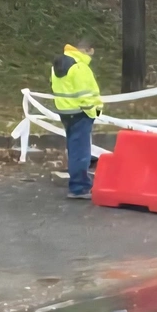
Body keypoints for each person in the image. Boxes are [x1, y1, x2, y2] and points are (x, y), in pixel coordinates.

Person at [50, 39, 103, 199]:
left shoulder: (59, 64)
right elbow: (85, 95)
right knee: (81, 152)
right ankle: (79, 188)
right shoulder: (80, 67)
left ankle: (77, 183)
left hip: (65, 112)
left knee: (74, 149)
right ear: (89, 50)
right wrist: (93, 112)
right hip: (81, 113)